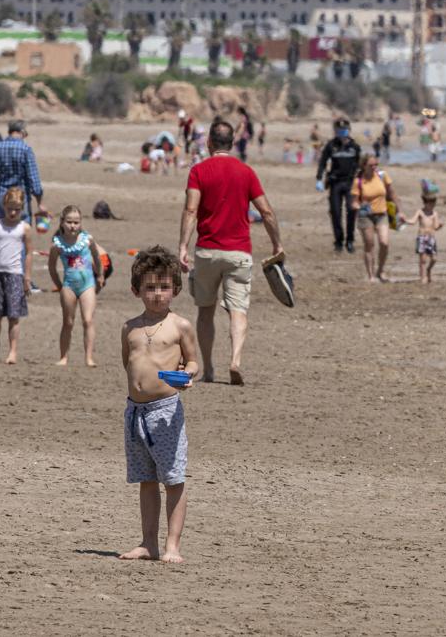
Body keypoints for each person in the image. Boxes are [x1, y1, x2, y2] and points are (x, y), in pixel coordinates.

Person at [178, 120, 283, 386]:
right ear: (233, 143)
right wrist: (276, 245)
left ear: (209, 143)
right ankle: (235, 360)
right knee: (238, 310)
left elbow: (191, 210)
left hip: (207, 251)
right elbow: (267, 212)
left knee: (205, 310)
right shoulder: (246, 172)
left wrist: (182, 246)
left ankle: (210, 368)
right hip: (238, 252)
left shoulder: (199, 171)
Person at [119, 246, 199, 564]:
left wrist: (187, 375)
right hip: (135, 413)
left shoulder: (180, 326)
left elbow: (193, 362)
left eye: (164, 287)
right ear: (136, 289)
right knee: (146, 478)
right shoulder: (130, 328)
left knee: (173, 478)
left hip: (164, 411)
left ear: (175, 290)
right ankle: (148, 543)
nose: (157, 294)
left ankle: (172, 545)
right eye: (150, 287)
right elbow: (129, 364)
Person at [48, 205, 103, 367]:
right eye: (69, 222)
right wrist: (59, 285)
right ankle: (63, 357)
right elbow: (52, 267)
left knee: (88, 320)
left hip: (87, 285)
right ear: (62, 222)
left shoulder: (87, 240)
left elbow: (97, 257)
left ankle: (89, 357)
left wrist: (100, 275)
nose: (73, 225)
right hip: (69, 285)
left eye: (76, 222)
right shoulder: (57, 244)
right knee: (68, 322)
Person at [0, 187, 32, 364]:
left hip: (15, 274)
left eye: (17, 209)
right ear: (4, 205)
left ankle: (12, 351)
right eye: (10, 208)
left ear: (22, 209)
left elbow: (29, 253)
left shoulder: (24, 228)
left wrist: (27, 278)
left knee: (14, 315)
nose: (13, 212)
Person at [316, 118, 363, 253]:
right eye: (339, 130)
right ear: (335, 131)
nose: (342, 132)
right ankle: (338, 241)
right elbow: (322, 162)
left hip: (350, 183)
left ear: (349, 130)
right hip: (335, 183)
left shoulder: (355, 147)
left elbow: (361, 165)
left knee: (351, 211)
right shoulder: (331, 145)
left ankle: (350, 241)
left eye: (344, 130)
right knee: (335, 213)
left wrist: (362, 181)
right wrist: (319, 178)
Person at [351, 153, 398, 282]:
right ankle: (370, 275)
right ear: (364, 165)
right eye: (371, 165)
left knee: (384, 243)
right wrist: (359, 206)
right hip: (365, 216)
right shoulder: (358, 181)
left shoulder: (382, 176)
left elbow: (392, 193)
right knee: (369, 244)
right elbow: (354, 202)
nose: (374, 167)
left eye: (376, 164)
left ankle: (380, 270)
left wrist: (398, 209)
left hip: (382, 214)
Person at [0, 120, 46, 221]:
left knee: (1, 231)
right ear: (22, 131)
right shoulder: (26, 149)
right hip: (21, 197)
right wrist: (39, 202)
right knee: (22, 231)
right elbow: (33, 179)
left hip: (2, 197)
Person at [400, 179, 443, 284]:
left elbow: (436, 226)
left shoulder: (434, 214)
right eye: (430, 202)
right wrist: (405, 220)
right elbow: (413, 221)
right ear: (425, 201)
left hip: (431, 238)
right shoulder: (420, 212)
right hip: (422, 237)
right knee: (423, 260)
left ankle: (429, 270)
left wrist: (440, 225)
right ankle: (422, 277)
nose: (432, 204)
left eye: (434, 202)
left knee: (434, 259)